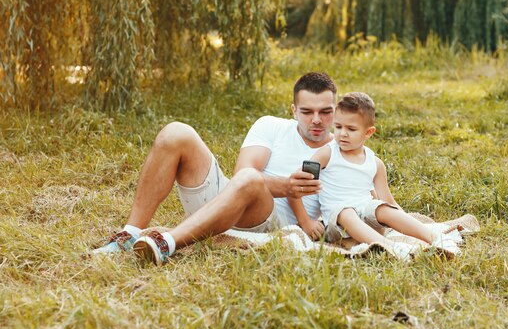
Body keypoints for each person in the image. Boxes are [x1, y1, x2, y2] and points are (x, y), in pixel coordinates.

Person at [93, 72, 336, 264]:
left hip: (270, 223)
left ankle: (167, 243)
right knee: (176, 133)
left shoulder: (341, 152)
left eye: (325, 112)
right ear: (294, 111)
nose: (316, 120)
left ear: (335, 112)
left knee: (251, 179)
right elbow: (242, 173)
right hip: (229, 200)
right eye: (307, 112)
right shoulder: (271, 126)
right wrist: (286, 186)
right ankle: (129, 235)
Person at [288, 92, 461, 260]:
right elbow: (295, 185)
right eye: (338, 126)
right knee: (346, 212)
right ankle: (391, 247)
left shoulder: (375, 163)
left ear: (368, 132)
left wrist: (402, 222)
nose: (342, 133)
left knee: (381, 207)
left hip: (368, 219)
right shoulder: (327, 154)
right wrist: (306, 222)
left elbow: (389, 202)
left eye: (351, 129)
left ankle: (435, 238)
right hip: (338, 223)